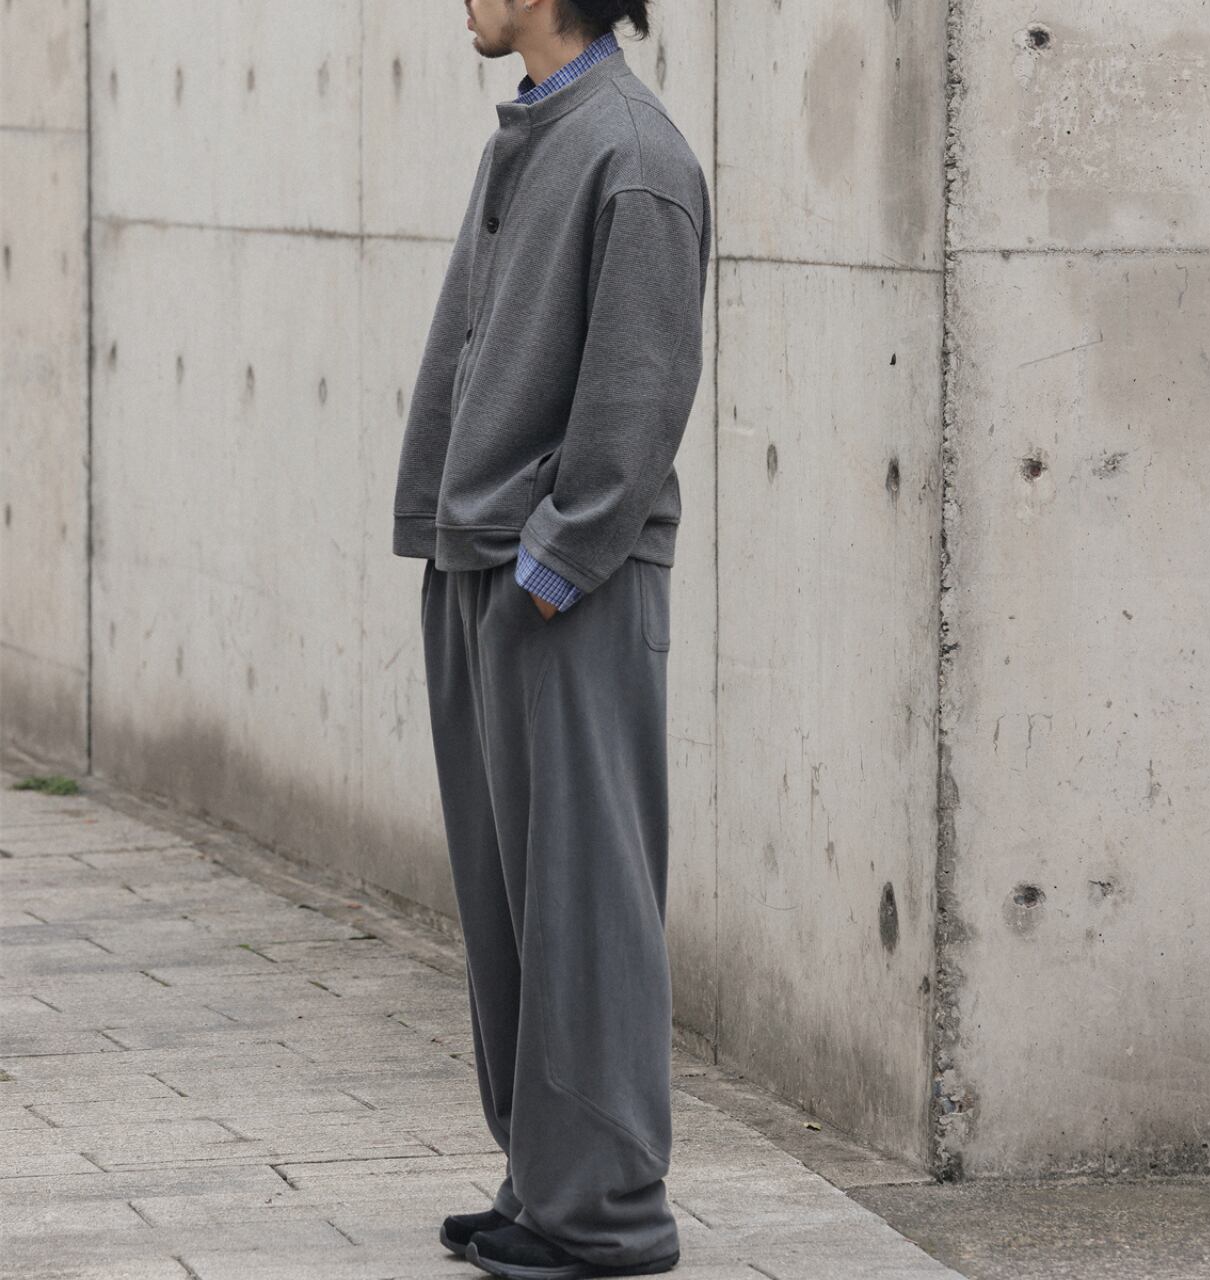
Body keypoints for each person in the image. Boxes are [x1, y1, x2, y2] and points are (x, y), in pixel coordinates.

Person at [391, 1, 711, 1276]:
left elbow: (641, 389)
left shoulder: (633, 152)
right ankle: (545, 1180)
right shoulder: (532, 133)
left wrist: (552, 564)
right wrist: (454, 538)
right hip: (483, 563)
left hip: (564, 588)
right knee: (510, 902)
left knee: (585, 901)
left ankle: (610, 1210)